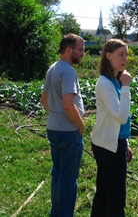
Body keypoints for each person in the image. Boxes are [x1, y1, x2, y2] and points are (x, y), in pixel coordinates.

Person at [40, 33, 86, 217]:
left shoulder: (53, 68)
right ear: (69, 50)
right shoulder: (67, 71)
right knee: (68, 178)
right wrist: (80, 125)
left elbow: (44, 100)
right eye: (80, 50)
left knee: (58, 174)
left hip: (54, 128)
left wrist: (55, 115)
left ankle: (56, 213)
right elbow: (68, 104)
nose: (83, 53)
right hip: (68, 132)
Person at [90, 39, 133, 217]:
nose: (125, 59)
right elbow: (121, 117)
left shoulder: (114, 80)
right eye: (120, 54)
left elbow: (120, 118)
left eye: (126, 54)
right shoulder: (105, 83)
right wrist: (127, 87)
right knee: (115, 197)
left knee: (104, 193)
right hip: (108, 146)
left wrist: (126, 142)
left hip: (114, 142)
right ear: (108, 56)